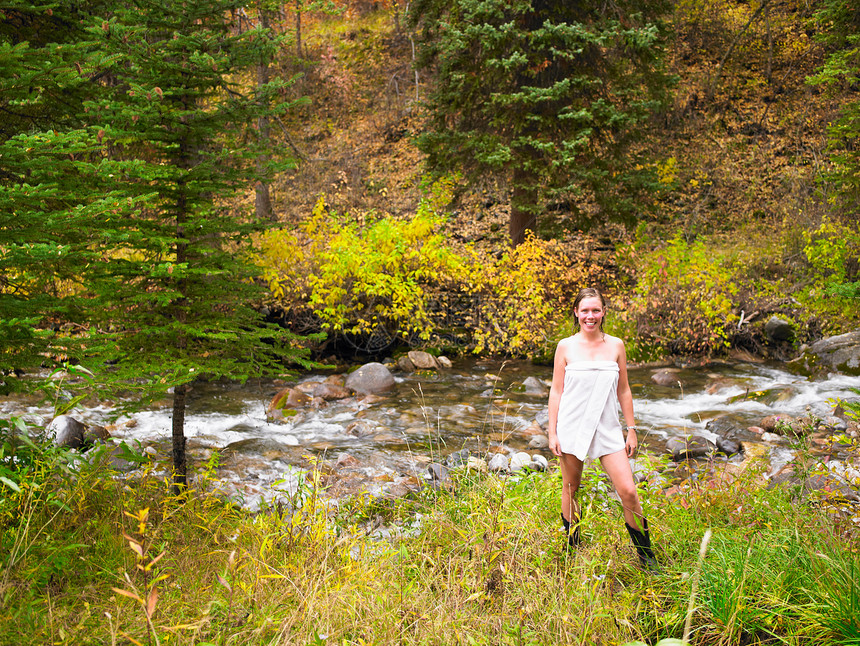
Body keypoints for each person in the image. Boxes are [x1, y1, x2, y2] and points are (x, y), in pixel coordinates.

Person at [547, 287, 657, 568]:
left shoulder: (616, 345)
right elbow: (556, 391)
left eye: (595, 310)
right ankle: (573, 550)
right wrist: (552, 431)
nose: (590, 316)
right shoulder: (565, 346)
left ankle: (647, 558)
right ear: (576, 313)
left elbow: (624, 391)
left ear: (603, 312)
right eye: (585, 311)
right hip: (571, 426)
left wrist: (631, 428)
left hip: (608, 428)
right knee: (571, 488)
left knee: (629, 491)